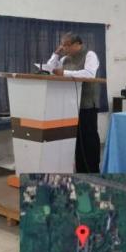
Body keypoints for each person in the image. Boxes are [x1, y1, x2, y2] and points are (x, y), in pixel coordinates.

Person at [47, 32, 101, 173]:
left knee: (88, 139)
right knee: (76, 141)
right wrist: (56, 54)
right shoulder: (65, 58)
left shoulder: (90, 55)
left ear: (77, 44)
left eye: (67, 45)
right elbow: (49, 70)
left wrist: (64, 73)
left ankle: (92, 170)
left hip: (87, 104)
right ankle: (80, 170)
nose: (64, 48)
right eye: (62, 45)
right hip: (70, 105)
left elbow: (89, 74)